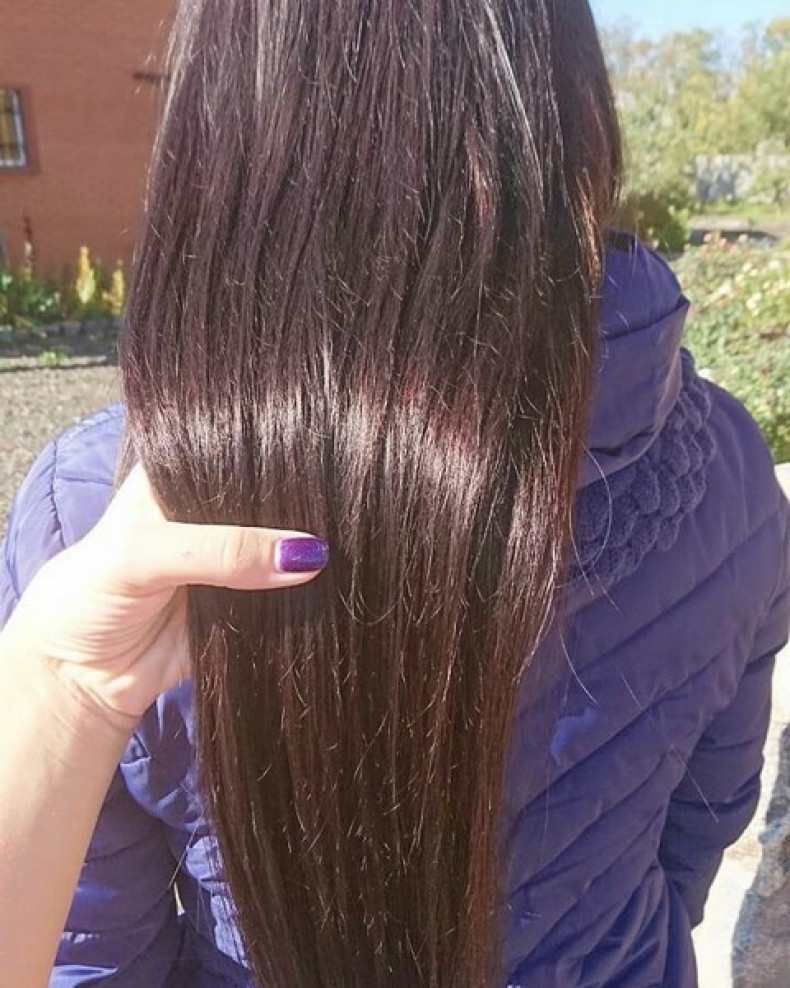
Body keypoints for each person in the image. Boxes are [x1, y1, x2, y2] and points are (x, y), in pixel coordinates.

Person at [0, 1, 787, 986]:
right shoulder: (728, 460)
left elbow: (94, 954)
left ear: (221, 127)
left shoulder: (107, 519)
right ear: (570, 108)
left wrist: (63, 691)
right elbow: (702, 822)